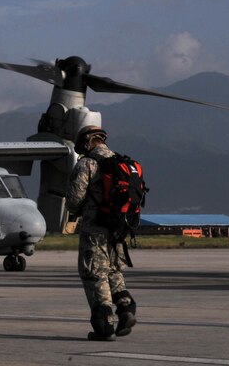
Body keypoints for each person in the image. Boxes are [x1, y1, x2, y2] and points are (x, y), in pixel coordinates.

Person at [66, 125, 137, 341]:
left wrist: (76, 210)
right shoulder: (120, 162)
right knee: (113, 270)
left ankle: (104, 324)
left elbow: (74, 200)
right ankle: (126, 308)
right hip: (118, 228)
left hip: (94, 228)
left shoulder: (87, 164)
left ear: (86, 142)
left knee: (94, 273)